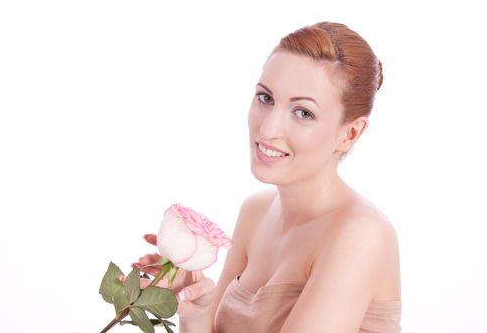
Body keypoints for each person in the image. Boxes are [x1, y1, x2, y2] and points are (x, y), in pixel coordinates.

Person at [135, 21, 402, 333]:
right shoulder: (255, 212)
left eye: (303, 113)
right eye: (266, 98)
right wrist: (193, 308)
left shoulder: (361, 233)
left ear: (351, 133)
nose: (268, 129)